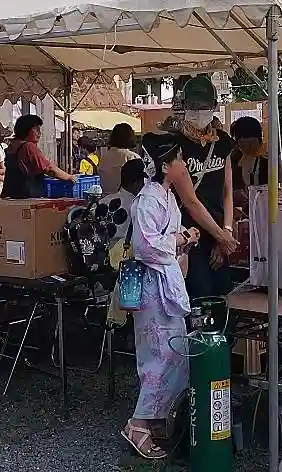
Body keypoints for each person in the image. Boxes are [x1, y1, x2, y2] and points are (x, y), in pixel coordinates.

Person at [121, 133, 199, 460]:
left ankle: (157, 417)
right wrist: (181, 239)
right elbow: (145, 246)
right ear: (166, 165)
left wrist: (184, 239)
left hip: (164, 284)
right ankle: (138, 423)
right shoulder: (149, 199)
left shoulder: (164, 196)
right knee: (159, 356)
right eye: (179, 159)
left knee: (173, 352)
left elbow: (163, 240)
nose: (184, 164)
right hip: (153, 288)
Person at [163, 75, 236, 299]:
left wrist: (226, 232)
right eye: (193, 105)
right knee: (198, 292)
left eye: (204, 106)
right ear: (184, 106)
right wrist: (222, 237)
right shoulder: (174, 144)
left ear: (214, 106)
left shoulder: (222, 142)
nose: (199, 111)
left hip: (219, 233)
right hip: (186, 235)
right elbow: (189, 200)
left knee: (222, 294)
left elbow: (227, 190)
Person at [2, 114, 76, 198]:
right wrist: (69, 177)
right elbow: (49, 169)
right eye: (36, 129)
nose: (39, 133)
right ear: (26, 130)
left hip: (10, 194)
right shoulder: (28, 146)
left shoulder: (13, 145)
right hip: (25, 197)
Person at [98, 123, 141, 194]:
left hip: (106, 198)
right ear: (130, 137)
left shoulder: (103, 158)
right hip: (127, 199)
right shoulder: (133, 157)